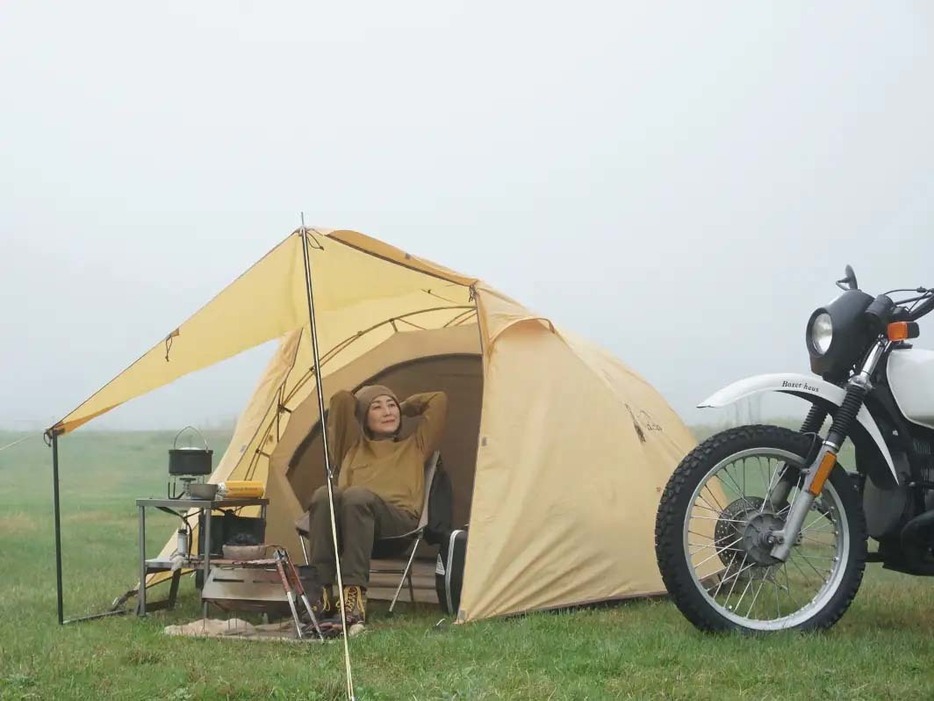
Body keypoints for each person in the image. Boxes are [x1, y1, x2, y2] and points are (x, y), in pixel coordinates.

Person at [303, 384, 448, 630]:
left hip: (396, 525)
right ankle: (321, 596)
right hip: (349, 527)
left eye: (391, 405)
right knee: (324, 495)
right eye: (377, 407)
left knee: (357, 496)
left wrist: (402, 408)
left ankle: (353, 601)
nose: (387, 412)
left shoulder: (416, 446)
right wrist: (361, 405)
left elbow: (439, 398)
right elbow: (340, 400)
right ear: (363, 416)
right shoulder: (350, 447)